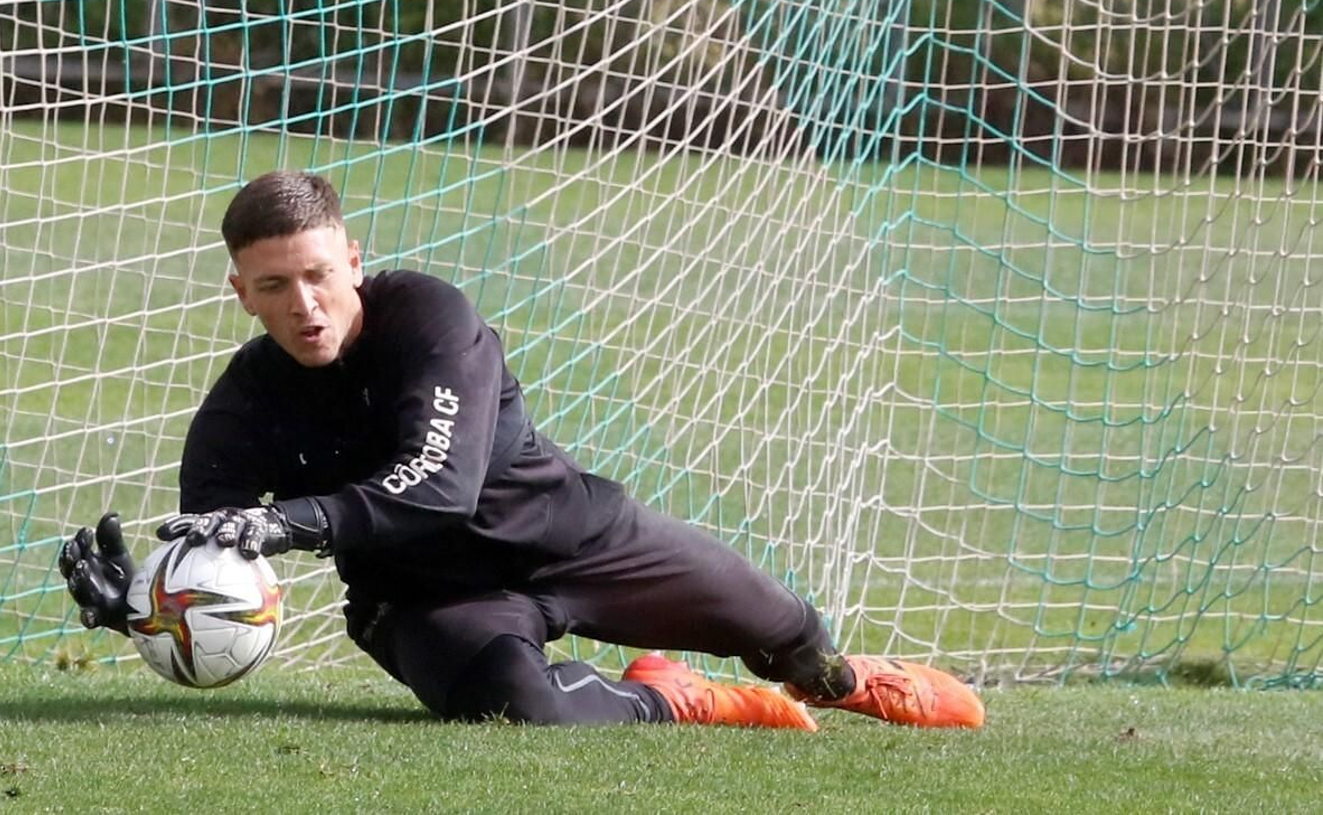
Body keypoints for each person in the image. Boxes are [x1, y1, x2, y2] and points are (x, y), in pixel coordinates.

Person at [59, 170, 985, 730]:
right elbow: (219, 562)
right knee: (524, 709)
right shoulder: (240, 406)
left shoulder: (430, 318)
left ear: (352, 260)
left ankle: (849, 680)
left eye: (317, 275)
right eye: (275, 285)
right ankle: (675, 697)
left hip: (574, 536)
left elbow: (440, 486)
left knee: (785, 633)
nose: (304, 303)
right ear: (241, 293)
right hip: (427, 599)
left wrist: (290, 521)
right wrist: (142, 608)